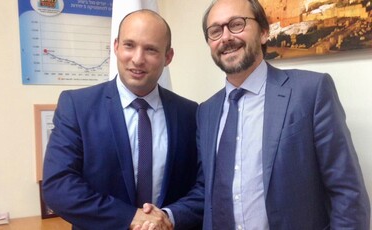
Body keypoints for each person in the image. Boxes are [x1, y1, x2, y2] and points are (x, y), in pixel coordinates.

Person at [197, 0, 371, 229]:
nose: (226, 37)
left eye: (237, 24)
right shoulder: (205, 111)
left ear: (264, 32)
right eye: (215, 31)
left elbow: (347, 193)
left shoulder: (310, 92)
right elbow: (205, 191)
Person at [42, 10, 203, 230]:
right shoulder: (77, 106)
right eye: (129, 45)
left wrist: (168, 217)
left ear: (168, 57)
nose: (137, 59)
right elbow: (58, 186)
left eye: (151, 49)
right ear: (116, 47)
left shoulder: (189, 113)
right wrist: (129, 217)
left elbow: (203, 186)